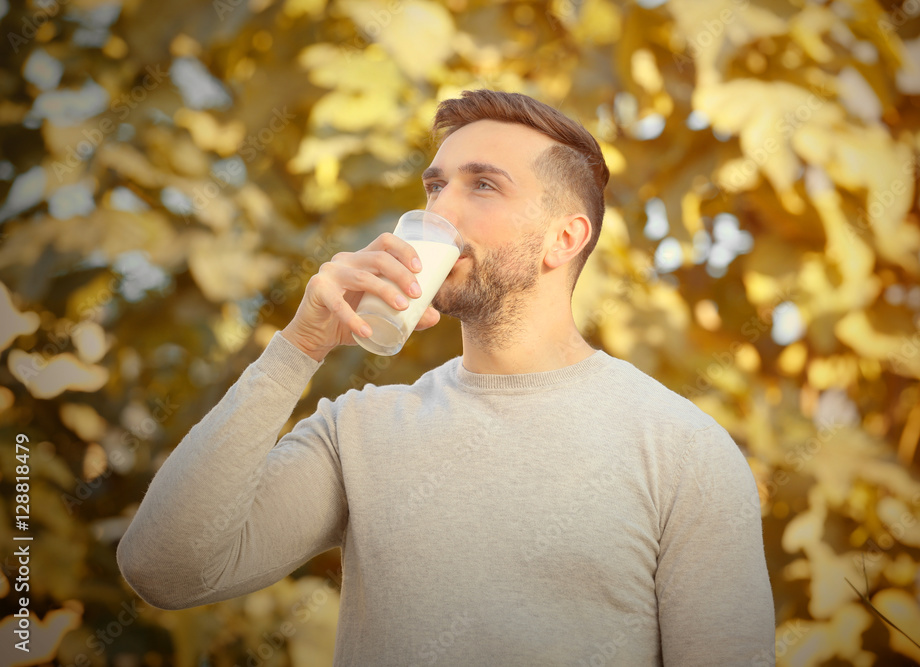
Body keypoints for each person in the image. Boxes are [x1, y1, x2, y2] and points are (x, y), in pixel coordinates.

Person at [117, 89, 776, 665]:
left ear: (564, 238)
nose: (442, 210)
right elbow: (164, 568)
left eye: (482, 184)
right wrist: (300, 343)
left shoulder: (682, 446)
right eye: (436, 185)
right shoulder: (360, 428)